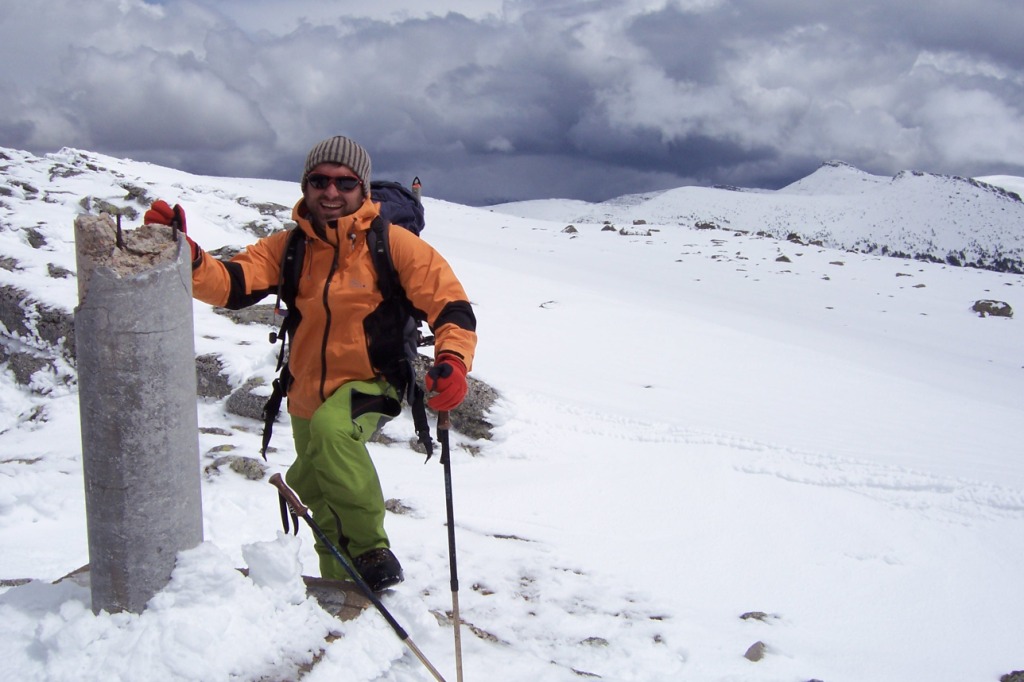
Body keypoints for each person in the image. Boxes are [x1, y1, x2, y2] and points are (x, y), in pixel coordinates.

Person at [145, 136, 477, 591]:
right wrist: (187, 252)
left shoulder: (393, 245)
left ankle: (368, 550)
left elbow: (451, 306)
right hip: (304, 390)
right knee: (320, 489)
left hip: (372, 384)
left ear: (363, 189)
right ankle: (342, 587)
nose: (331, 191)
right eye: (319, 180)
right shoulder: (291, 246)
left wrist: (453, 360)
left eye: (344, 182)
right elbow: (232, 285)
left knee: (331, 432)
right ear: (306, 185)